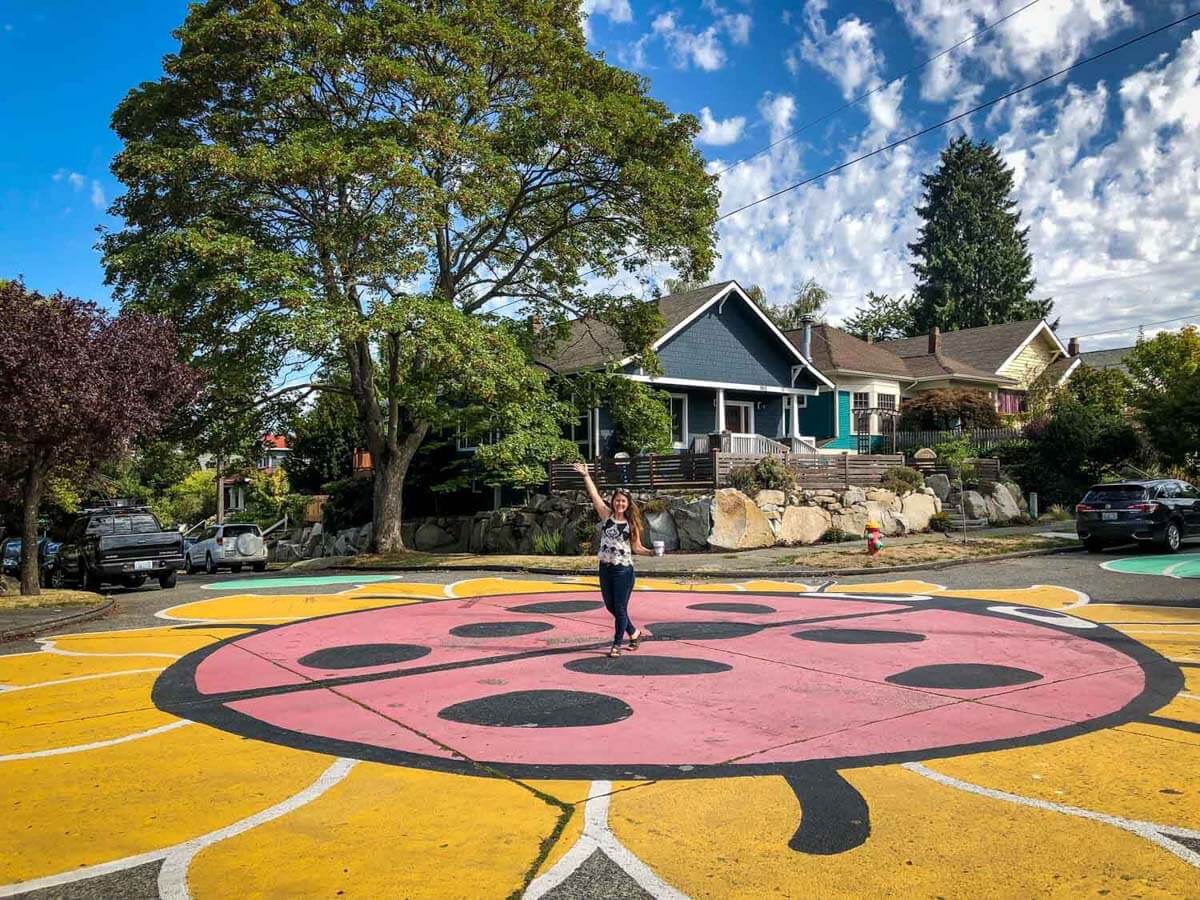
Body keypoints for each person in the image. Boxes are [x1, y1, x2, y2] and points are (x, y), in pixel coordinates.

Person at [571, 461, 654, 657]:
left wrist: (651, 553)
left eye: (623, 501)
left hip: (623, 570)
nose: (620, 503)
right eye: (617, 500)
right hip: (605, 567)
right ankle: (634, 632)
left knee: (620, 608)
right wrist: (586, 475)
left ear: (628, 504)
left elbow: (636, 548)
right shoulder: (606, 516)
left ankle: (616, 644)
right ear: (613, 501)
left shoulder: (631, 524)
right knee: (611, 606)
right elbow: (594, 496)